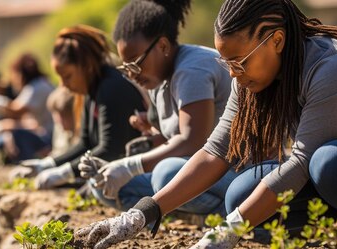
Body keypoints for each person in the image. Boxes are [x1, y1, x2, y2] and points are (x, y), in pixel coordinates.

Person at [74, 0, 337, 248]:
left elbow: (300, 163)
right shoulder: (248, 78)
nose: (233, 73)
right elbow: (215, 151)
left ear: (276, 40)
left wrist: (227, 232)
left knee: (328, 161)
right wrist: (144, 212)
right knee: (239, 196)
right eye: (226, 63)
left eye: (239, 62)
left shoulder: (336, 67)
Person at [78, 0, 233, 215]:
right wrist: (113, 166)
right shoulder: (157, 78)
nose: (131, 74)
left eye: (135, 63)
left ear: (162, 46)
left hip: (235, 170)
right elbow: (177, 141)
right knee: (102, 185)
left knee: (165, 174)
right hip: (197, 169)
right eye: (126, 67)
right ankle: (183, 213)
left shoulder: (192, 69)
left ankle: (226, 216)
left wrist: (130, 166)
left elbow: (194, 141)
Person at [9, 25, 146, 189]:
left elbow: (111, 149)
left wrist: (64, 173)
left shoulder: (111, 87)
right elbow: (85, 144)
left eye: (67, 76)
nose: (63, 85)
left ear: (86, 66)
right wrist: (47, 164)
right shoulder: (93, 89)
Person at [0, 54, 55, 163]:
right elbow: (29, 122)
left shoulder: (36, 87)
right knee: (0, 139)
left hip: (49, 138)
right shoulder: (40, 85)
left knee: (12, 137)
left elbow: (16, 111)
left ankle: (28, 160)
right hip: (46, 135)